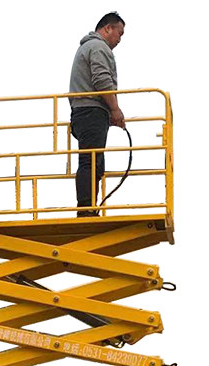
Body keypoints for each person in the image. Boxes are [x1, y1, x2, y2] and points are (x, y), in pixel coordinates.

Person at [68, 12, 126, 216]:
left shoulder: (88, 47)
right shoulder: (98, 47)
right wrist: (115, 109)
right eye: (119, 33)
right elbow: (102, 80)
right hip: (91, 112)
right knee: (91, 161)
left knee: (95, 161)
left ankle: (89, 207)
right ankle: (86, 209)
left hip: (85, 112)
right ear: (108, 28)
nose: (120, 39)